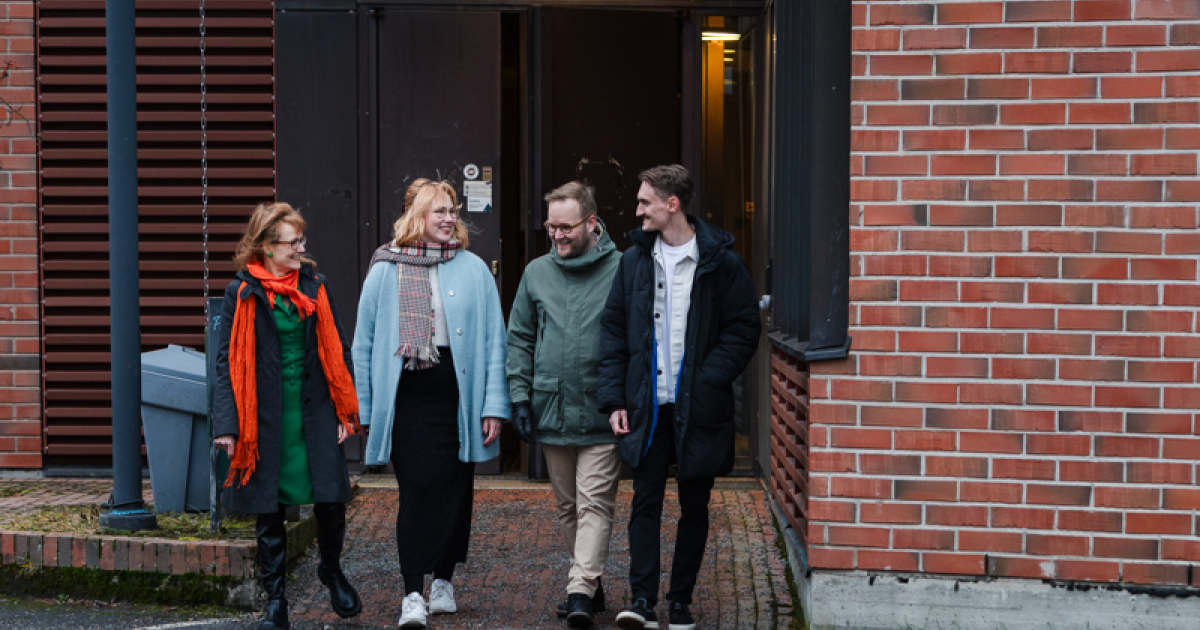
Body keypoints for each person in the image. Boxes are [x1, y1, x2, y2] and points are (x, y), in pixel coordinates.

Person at [598, 165, 761, 630]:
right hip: (648, 406)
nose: (637, 210)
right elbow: (613, 331)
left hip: (699, 405)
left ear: (673, 204)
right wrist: (616, 401)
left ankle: (680, 601)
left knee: (695, 506)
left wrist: (708, 379)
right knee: (644, 501)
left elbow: (744, 327)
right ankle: (642, 601)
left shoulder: (721, 263)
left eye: (645, 201)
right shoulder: (634, 261)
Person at [352, 179, 510, 629]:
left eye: (452, 210)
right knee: (417, 490)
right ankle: (412, 593)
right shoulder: (386, 267)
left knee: (456, 490)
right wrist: (366, 408)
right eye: (439, 210)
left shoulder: (474, 268)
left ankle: (443, 580)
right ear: (416, 216)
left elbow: (495, 342)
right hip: (408, 398)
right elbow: (363, 344)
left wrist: (494, 405)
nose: (448, 218)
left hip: (460, 398)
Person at [212, 202, 363, 630]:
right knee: (270, 511)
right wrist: (227, 425)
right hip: (264, 419)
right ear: (266, 247)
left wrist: (345, 411)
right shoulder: (242, 292)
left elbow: (339, 349)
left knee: (331, 502)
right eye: (292, 242)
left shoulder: (316, 285)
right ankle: (276, 600)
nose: (300, 248)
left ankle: (330, 570)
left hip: (315, 411)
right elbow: (225, 363)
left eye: (301, 240)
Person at [506, 182, 622, 628]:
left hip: (603, 408)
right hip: (551, 406)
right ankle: (590, 582)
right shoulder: (536, 273)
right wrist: (520, 397)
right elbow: (520, 337)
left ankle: (578, 591)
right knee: (568, 507)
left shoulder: (622, 268)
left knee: (594, 503)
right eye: (550, 226)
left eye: (565, 227)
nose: (556, 234)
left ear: (591, 223)